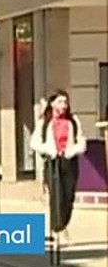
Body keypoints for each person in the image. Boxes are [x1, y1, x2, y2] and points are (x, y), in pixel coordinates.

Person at [30, 89, 87, 245]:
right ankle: (58, 230)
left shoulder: (73, 121)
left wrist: (72, 151)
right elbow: (34, 143)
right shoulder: (44, 123)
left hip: (69, 161)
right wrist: (49, 150)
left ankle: (63, 225)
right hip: (53, 162)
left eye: (65, 102)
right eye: (60, 102)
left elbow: (81, 141)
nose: (63, 106)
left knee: (68, 197)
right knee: (56, 196)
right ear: (52, 104)